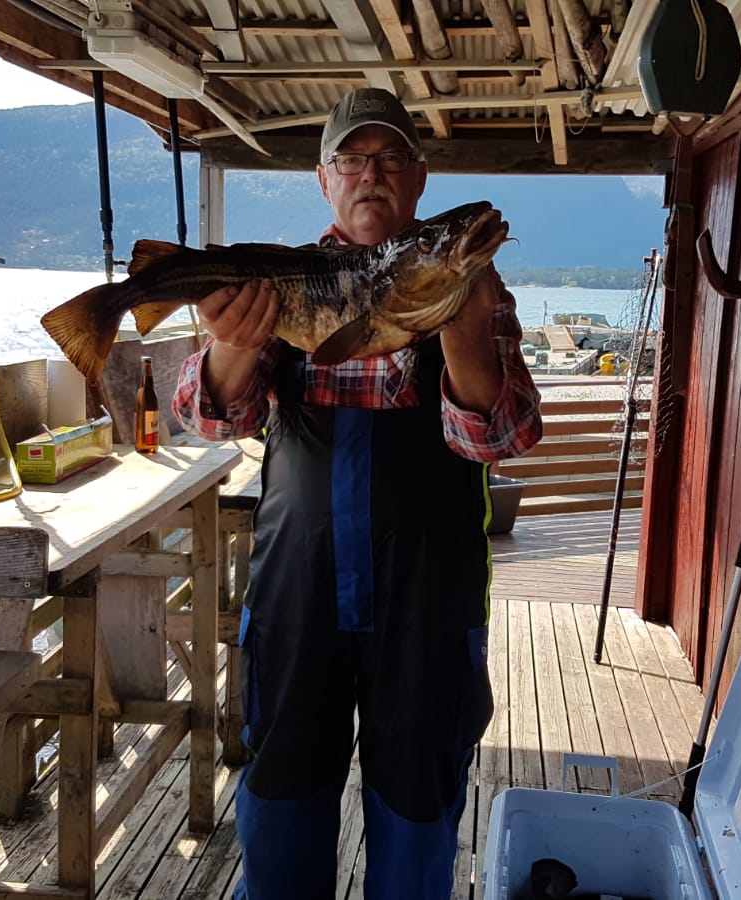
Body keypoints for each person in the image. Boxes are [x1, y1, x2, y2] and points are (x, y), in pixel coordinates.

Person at [170, 86, 543, 900]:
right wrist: (231, 345)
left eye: (391, 158)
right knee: (283, 787)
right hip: (296, 594)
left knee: (418, 798)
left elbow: (504, 439)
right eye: (352, 159)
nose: (371, 174)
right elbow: (209, 417)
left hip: (428, 600)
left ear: (419, 177)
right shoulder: (284, 283)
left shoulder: (473, 283)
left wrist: (463, 328)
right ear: (325, 179)